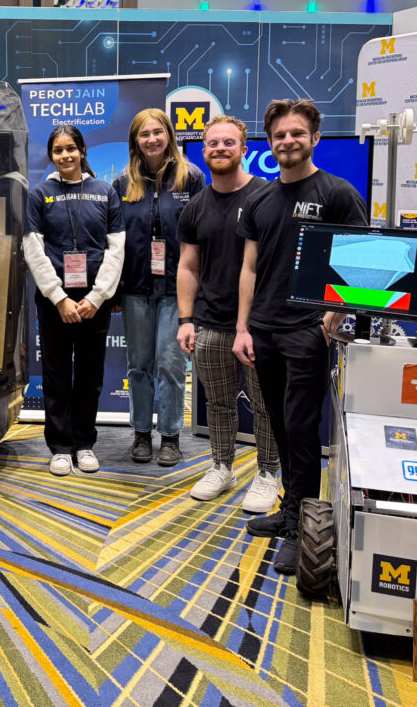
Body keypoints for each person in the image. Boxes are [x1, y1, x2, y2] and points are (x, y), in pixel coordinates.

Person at [232, 98, 367, 574]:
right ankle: (292, 510)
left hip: (306, 333)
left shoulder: (337, 193)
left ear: (314, 137)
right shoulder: (260, 199)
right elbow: (249, 268)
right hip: (264, 331)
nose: (287, 141)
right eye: (279, 135)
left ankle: (302, 527)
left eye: (296, 133)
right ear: (269, 143)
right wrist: (243, 327)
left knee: (303, 432)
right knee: (281, 428)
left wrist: (335, 311)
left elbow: (362, 262)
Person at [176, 115, 279, 511]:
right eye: (213, 144)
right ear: (204, 152)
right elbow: (187, 267)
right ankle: (222, 466)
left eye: (228, 143)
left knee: (265, 404)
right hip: (211, 324)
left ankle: (268, 472)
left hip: (259, 327)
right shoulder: (196, 207)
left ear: (244, 149)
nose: (220, 149)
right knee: (217, 403)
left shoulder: (267, 198)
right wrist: (187, 320)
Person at [24, 124, 124, 476]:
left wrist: (98, 297)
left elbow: (117, 249)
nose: (65, 155)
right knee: (55, 372)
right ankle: (60, 447)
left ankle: (84, 443)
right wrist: (59, 298)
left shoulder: (104, 191)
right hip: (55, 303)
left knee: (90, 374)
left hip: (94, 302)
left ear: (82, 150)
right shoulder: (40, 194)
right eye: (58, 150)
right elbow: (33, 249)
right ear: (51, 155)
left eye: (71, 148)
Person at [114, 109, 204, 465]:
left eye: (157, 132)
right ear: (135, 141)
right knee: (138, 364)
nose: (151, 139)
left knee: (170, 364)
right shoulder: (123, 183)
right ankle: (140, 433)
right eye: (143, 134)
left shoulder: (191, 178)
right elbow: (116, 240)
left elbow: (200, 239)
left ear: (169, 135)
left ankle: (169, 436)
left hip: (175, 289)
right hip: (135, 288)